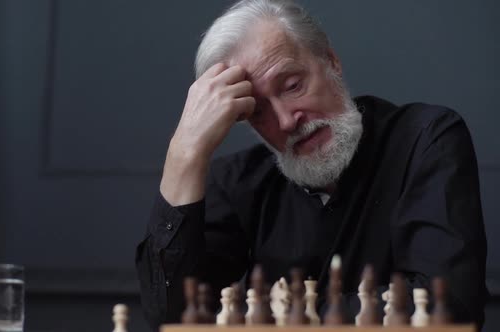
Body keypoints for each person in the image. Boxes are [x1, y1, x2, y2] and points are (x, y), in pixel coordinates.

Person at [135, 0, 488, 330]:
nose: (287, 121)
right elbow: (169, 318)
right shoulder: (237, 183)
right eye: (258, 112)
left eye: (292, 85)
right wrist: (184, 153)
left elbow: (448, 306)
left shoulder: (425, 138)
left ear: (331, 61)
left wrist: (262, 315)